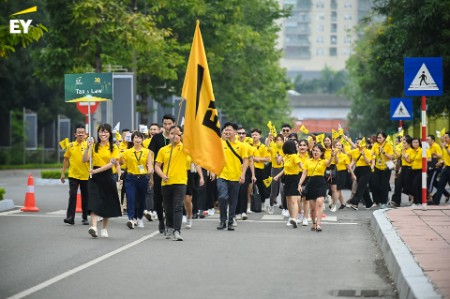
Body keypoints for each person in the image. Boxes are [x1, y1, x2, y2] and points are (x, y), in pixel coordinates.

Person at [83, 124, 122, 238]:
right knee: (94, 201)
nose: (103, 134)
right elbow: (84, 159)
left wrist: (97, 171)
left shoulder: (114, 148)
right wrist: (87, 147)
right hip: (94, 177)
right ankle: (94, 227)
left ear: (109, 134)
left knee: (107, 202)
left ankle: (104, 228)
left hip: (107, 176)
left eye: (105, 132)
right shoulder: (94, 146)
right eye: (101, 132)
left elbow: (111, 164)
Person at [154, 125, 190, 241]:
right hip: (166, 182)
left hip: (180, 182)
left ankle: (177, 230)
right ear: (169, 135)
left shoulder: (185, 148)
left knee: (178, 206)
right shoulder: (163, 150)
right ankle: (169, 226)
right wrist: (162, 176)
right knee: (168, 208)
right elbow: (157, 166)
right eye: (173, 134)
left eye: (178, 134)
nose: (176, 136)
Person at [216, 122, 249, 231]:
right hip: (222, 175)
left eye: (229, 129)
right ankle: (222, 220)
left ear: (235, 132)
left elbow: (245, 160)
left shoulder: (242, 146)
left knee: (233, 200)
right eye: (225, 129)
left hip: (235, 176)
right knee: (222, 197)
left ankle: (230, 222)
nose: (227, 131)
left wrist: (243, 175)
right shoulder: (220, 143)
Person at [119, 131, 153, 229]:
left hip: (143, 178)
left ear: (142, 140)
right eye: (135, 138)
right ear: (132, 140)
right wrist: (120, 159)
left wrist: (150, 171)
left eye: (139, 138)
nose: (137, 140)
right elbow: (121, 162)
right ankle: (130, 218)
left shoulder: (147, 152)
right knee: (130, 198)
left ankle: (139, 218)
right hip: (131, 178)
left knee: (141, 200)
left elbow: (150, 164)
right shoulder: (127, 152)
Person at [148, 114, 176, 233]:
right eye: (165, 124)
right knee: (158, 199)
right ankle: (161, 220)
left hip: (174, 173)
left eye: (169, 124)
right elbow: (151, 153)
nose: (167, 126)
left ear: (174, 123)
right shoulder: (157, 138)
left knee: (171, 200)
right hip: (159, 173)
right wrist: (150, 167)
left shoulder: (177, 137)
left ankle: (170, 222)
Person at [60, 124, 90, 225]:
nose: (80, 134)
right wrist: (63, 173)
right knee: (72, 195)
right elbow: (66, 159)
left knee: (85, 196)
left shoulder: (88, 145)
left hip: (85, 175)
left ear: (85, 134)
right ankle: (70, 217)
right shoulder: (70, 146)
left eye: (82, 133)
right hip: (73, 175)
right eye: (79, 133)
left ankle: (85, 217)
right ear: (75, 134)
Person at [298, 144, 332, 232]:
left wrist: (332, 156)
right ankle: (313, 223)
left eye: (317, 151)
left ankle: (319, 224)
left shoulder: (323, 161)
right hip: (311, 183)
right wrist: (299, 184)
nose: (315, 152)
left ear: (321, 153)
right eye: (314, 150)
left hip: (320, 182)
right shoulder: (307, 161)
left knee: (320, 203)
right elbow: (304, 174)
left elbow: (328, 163)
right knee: (312, 208)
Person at [273, 140, 302, 228]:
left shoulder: (294, 156)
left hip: (295, 178)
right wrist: (277, 176)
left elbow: (302, 167)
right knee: (288, 200)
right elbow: (283, 167)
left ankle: (295, 218)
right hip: (287, 179)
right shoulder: (286, 157)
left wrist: (301, 181)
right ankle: (291, 217)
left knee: (293, 200)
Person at [347, 138, 374, 210]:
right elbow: (346, 153)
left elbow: (368, 162)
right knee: (363, 187)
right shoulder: (355, 151)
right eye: (357, 143)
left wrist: (364, 155)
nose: (357, 144)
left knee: (360, 187)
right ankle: (369, 203)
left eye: (359, 143)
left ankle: (354, 203)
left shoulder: (368, 151)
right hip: (358, 170)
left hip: (366, 170)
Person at [370, 131, 394, 209]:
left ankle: (384, 202)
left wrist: (384, 153)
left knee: (384, 185)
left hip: (386, 167)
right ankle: (376, 201)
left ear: (384, 138)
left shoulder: (388, 145)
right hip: (377, 167)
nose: (378, 139)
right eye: (377, 137)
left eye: (380, 137)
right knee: (374, 184)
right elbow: (371, 154)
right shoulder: (375, 145)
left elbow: (391, 157)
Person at [332, 140, 356, 210]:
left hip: (342, 173)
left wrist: (353, 174)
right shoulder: (332, 154)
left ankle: (333, 205)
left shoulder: (345, 156)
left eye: (340, 145)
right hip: (334, 173)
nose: (338, 147)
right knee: (337, 190)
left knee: (337, 189)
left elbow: (348, 166)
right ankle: (343, 203)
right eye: (337, 145)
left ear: (342, 147)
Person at [251, 128, 270, 212]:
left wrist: (257, 159)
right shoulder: (249, 145)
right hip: (250, 168)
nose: (254, 136)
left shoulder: (262, 147)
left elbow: (268, 159)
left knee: (260, 187)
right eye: (253, 135)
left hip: (259, 169)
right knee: (250, 187)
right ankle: (251, 205)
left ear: (260, 136)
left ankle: (262, 203)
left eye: (256, 135)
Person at [267, 134, 285, 215]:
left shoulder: (284, 149)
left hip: (283, 170)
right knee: (273, 189)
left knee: (283, 189)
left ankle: (284, 207)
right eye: (277, 140)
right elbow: (267, 147)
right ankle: (271, 206)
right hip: (274, 170)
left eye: (281, 140)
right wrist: (269, 139)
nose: (279, 141)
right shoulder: (273, 148)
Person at [431, 131, 450, 205]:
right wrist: (441, 162)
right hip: (446, 168)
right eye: (444, 137)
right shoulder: (446, 145)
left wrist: (445, 147)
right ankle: (436, 202)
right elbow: (445, 156)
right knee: (440, 185)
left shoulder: (447, 146)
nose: (445, 139)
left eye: (446, 137)